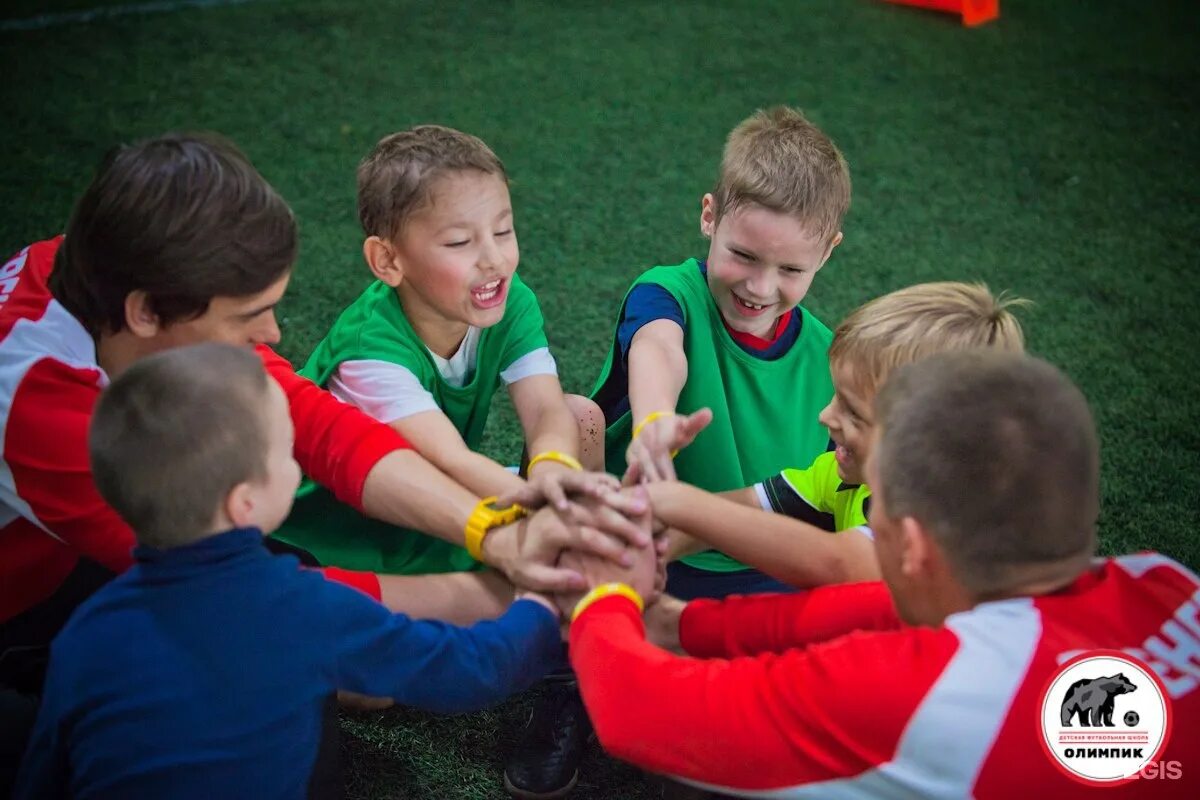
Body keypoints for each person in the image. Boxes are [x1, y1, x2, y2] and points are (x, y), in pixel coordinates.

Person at [0, 132, 645, 793]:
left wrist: (492, 533)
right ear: (146, 313)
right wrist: (524, 592)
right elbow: (248, 595)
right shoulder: (32, 400)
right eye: (249, 317)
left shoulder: (102, 269)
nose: (274, 336)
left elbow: (326, 431)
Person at [567, 350, 1200, 798]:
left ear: (915, 547)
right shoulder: (1163, 583)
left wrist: (604, 592)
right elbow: (870, 611)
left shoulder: (938, 695)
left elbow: (637, 712)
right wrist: (683, 624)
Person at [13, 343, 566, 800]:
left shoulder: (86, 631)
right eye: (286, 454)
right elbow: (469, 669)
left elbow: (44, 771)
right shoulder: (308, 606)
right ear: (243, 503)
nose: (299, 465)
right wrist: (539, 609)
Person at [276, 124, 612, 576]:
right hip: (338, 537)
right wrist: (552, 513)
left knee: (579, 417)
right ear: (388, 261)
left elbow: (547, 411)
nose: (493, 258)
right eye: (460, 242)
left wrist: (552, 472)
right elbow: (446, 459)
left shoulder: (512, 302)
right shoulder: (369, 350)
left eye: (504, 231)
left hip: (439, 508)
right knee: (513, 600)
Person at [591, 105, 851, 600]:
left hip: (763, 568)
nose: (761, 286)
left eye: (791, 270)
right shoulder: (668, 293)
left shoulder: (829, 355)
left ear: (827, 251)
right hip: (642, 542)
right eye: (744, 255)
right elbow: (659, 349)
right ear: (709, 216)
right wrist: (655, 423)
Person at [656, 282, 1029, 588]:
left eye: (853, 413)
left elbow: (839, 564)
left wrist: (680, 504)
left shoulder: (942, 520)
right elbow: (746, 507)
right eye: (835, 397)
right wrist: (654, 539)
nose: (825, 416)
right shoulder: (844, 474)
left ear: (931, 443)